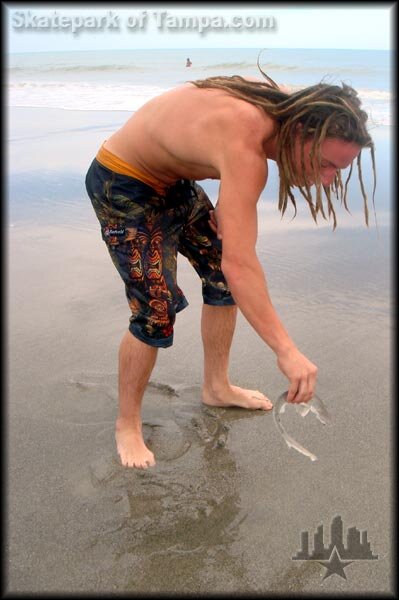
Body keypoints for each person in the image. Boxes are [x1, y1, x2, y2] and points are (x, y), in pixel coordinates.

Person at [85, 69, 376, 469]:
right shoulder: (245, 144)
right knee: (156, 308)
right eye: (328, 165)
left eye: (339, 171)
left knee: (220, 280)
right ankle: (128, 425)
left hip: (175, 181)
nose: (328, 180)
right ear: (304, 134)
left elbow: (232, 265)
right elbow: (240, 264)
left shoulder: (294, 107)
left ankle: (216, 386)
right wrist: (286, 352)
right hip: (123, 181)